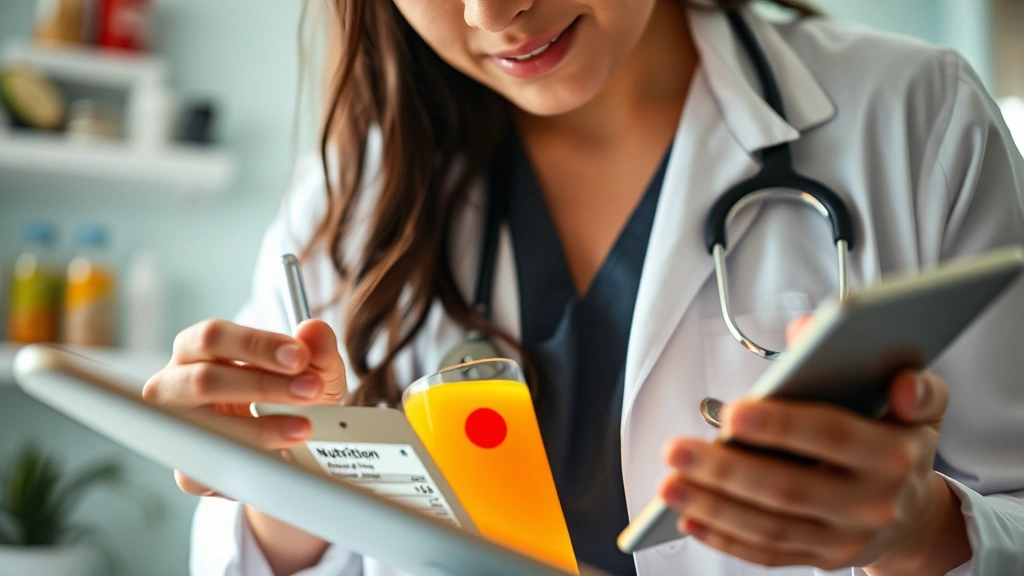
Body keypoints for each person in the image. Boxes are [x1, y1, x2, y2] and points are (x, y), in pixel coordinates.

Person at [143, 0, 1024, 575]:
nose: (495, 14)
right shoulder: (351, 199)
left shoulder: (915, 118)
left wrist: (920, 532)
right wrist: (281, 502)